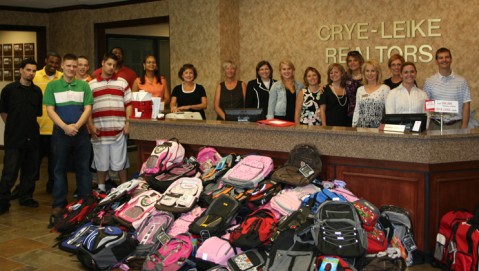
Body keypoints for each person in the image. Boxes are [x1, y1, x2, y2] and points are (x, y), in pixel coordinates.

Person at [43, 54, 93, 216]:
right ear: (62, 67)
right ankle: (58, 203)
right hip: (60, 133)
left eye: (74, 66)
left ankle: (86, 201)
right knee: (59, 169)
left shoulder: (84, 86)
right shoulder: (52, 86)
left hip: (81, 133)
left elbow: (88, 109)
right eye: (69, 66)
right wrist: (65, 127)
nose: (72, 69)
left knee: (83, 168)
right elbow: (50, 110)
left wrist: (76, 126)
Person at [0, 59, 43, 214]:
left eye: (33, 71)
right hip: (14, 138)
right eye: (28, 70)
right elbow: (3, 112)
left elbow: (37, 114)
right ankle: (3, 201)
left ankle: (26, 197)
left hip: (32, 136)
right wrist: (13, 126)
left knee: (30, 171)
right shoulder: (9, 90)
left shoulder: (37, 91)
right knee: (9, 172)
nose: (31, 73)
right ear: (21, 70)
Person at [88, 53, 132, 193]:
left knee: (121, 162)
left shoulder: (122, 83)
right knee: (101, 162)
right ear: (102, 63)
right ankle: (101, 188)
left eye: (114, 65)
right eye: (109, 64)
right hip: (99, 131)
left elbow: (129, 105)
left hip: (118, 130)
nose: (111, 67)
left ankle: (123, 188)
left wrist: (128, 123)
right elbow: (87, 108)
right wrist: (90, 126)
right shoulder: (91, 85)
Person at [33, 51, 63, 193]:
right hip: (37, 128)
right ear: (45, 60)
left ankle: (52, 186)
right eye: (51, 62)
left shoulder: (63, 77)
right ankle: (27, 189)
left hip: (56, 128)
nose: (53, 65)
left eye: (56, 63)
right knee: (33, 162)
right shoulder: (35, 76)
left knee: (55, 162)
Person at [423, 47, 472, 129]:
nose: (444, 60)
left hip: (456, 125)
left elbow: (466, 104)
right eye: (441, 58)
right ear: (436, 61)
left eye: (447, 57)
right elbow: (426, 105)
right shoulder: (429, 82)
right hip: (435, 125)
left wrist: (464, 127)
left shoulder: (462, 81)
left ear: (451, 59)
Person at [352, 60, 390, 128]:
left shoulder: (385, 89)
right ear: (364, 73)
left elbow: (388, 110)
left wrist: (385, 125)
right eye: (367, 71)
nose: (370, 74)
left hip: (378, 129)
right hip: (361, 128)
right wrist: (354, 125)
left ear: (377, 73)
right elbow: (357, 109)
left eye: (373, 71)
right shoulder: (360, 89)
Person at [345, 50, 365, 125]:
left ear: (360, 62)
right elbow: (334, 85)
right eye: (350, 61)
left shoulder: (367, 76)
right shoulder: (345, 77)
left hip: (364, 114)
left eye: (355, 60)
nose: (352, 63)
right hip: (349, 114)